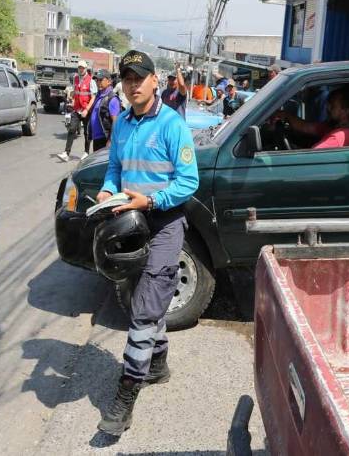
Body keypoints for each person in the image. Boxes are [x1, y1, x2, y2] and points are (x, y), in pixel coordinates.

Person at [95, 49, 199, 436]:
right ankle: (157, 363)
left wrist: (152, 201)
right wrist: (108, 192)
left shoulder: (172, 124)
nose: (133, 84)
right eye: (127, 78)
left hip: (164, 222)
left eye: (140, 77)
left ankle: (126, 394)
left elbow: (189, 181)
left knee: (143, 309)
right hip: (130, 221)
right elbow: (114, 168)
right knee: (142, 296)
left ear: (155, 81)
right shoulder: (122, 122)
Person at [274, 87, 349, 149]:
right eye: (328, 104)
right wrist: (283, 114)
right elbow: (305, 127)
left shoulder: (340, 136)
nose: (327, 108)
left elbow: (311, 157)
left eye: (332, 106)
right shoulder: (330, 127)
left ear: (345, 111)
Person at [58, 59, 96, 161]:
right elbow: (76, 92)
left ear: (86, 69)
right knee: (71, 129)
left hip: (86, 110)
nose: (81, 69)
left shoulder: (91, 81)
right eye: (79, 68)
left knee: (87, 133)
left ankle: (86, 152)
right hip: (77, 109)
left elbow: (93, 97)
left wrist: (87, 110)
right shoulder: (76, 79)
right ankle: (66, 153)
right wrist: (72, 98)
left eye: (82, 68)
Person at [89, 68, 121, 151]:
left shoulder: (112, 98)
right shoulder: (98, 95)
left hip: (105, 139)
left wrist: (110, 140)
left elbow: (115, 122)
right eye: (97, 80)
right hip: (96, 139)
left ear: (109, 81)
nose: (98, 82)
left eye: (101, 80)